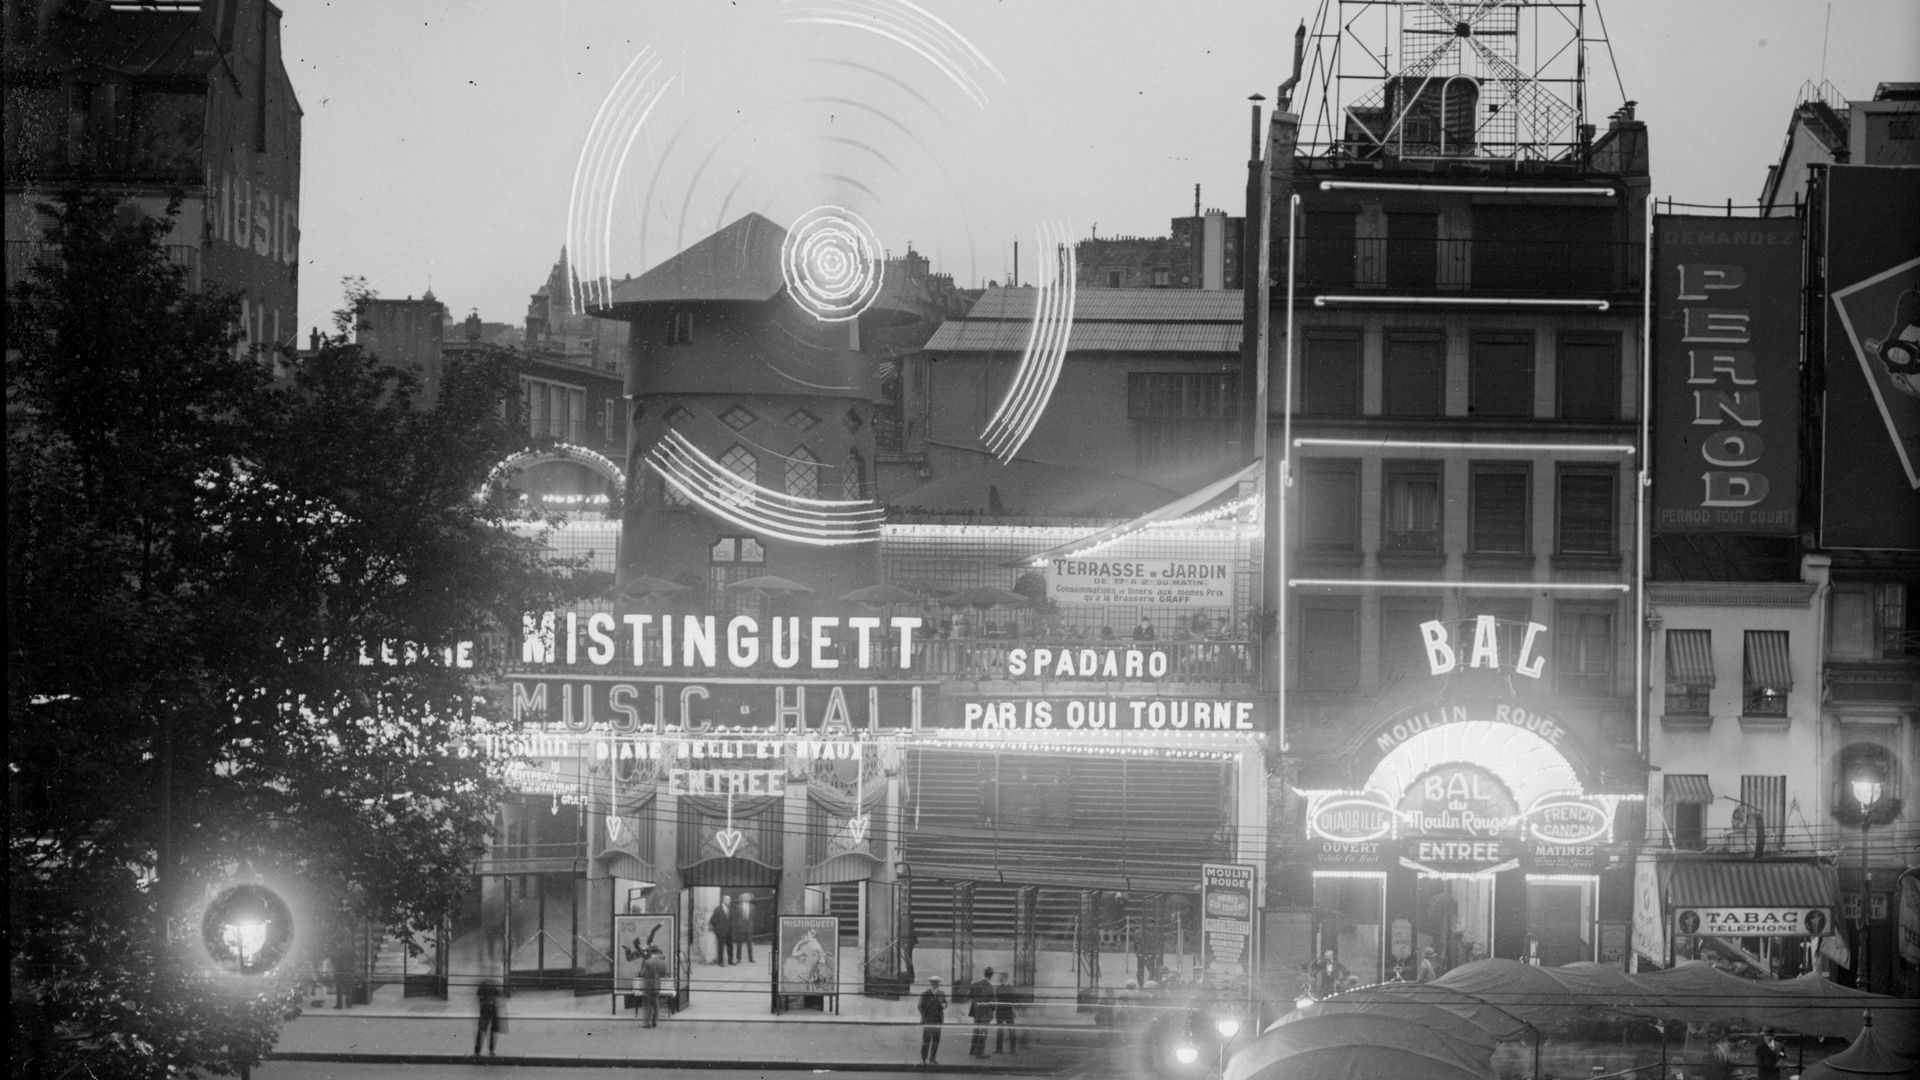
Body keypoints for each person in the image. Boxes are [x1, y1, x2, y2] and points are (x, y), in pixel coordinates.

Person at [917, 976, 948, 1065]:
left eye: (936, 983)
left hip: (938, 1019)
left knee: (936, 1040)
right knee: (926, 1040)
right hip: (928, 1020)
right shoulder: (925, 993)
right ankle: (924, 1059)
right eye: (933, 982)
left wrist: (943, 1006)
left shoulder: (941, 993)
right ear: (930, 983)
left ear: (938, 984)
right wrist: (924, 1016)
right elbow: (919, 1006)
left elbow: (945, 1004)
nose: (935, 984)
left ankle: (932, 1058)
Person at [968, 967, 995, 1057]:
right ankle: (979, 1053)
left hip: (976, 1011)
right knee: (983, 1033)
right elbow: (993, 1003)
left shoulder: (975, 984)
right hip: (985, 1012)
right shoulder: (990, 987)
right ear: (991, 976)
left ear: (984, 974)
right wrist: (993, 1010)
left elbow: (969, 996)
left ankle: (972, 1050)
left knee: (976, 1030)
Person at [640, 946, 670, 1027]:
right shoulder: (663, 962)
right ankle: (654, 1022)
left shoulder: (647, 962)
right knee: (656, 1003)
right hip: (657, 985)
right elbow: (663, 975)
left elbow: (642, 974)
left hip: (647, 986)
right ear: (657, 952)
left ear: (651, 952)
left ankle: (646, 1023)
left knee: (647, 1004)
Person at [473, 977, 503, 1057]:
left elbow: (479, 995)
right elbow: (497, 993)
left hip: (485, 1011)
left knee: (482, 1030)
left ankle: (478, 1050)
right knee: (491, 1030)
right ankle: (491, 1050)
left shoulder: (484, 985)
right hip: (491, 1010)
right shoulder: (492, 984)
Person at [992, 971, 1017, 1053]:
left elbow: (997, 998)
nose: (999, 978)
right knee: (1009, 1030)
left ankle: (1000, 1049)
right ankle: (1012, 1049)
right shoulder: (1010, 988)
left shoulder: (999, 988)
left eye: (1001, 977)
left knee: (1003, 1030)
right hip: (1007, 1010)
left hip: (1002, 1010)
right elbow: (1013, 1000)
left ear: (1004, 978)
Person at [731, 892, 756, 965]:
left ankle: (751, 959)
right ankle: (738, 959)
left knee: (749, 944)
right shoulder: (738, 906)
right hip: (740, 927)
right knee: (739, 944)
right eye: (745, 897)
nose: (747, 898)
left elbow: (754, 917)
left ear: (750, 898)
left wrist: (752, 924)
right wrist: (737, 925)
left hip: (749, 927)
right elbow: (735, 917)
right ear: (742, 898)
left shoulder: (753, 906)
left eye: (748, 897)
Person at [710, 895, 733, 966]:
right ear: (723, 900)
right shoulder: (718, 909)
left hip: (729, 931)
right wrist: (718, 930)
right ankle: (721, 962)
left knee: (730, 946)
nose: (729, 901)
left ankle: (730, 961)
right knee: (721, 947)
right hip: (721, 932)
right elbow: (712, 920)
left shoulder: (730, 908)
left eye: (730, 900)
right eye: (728, 900)